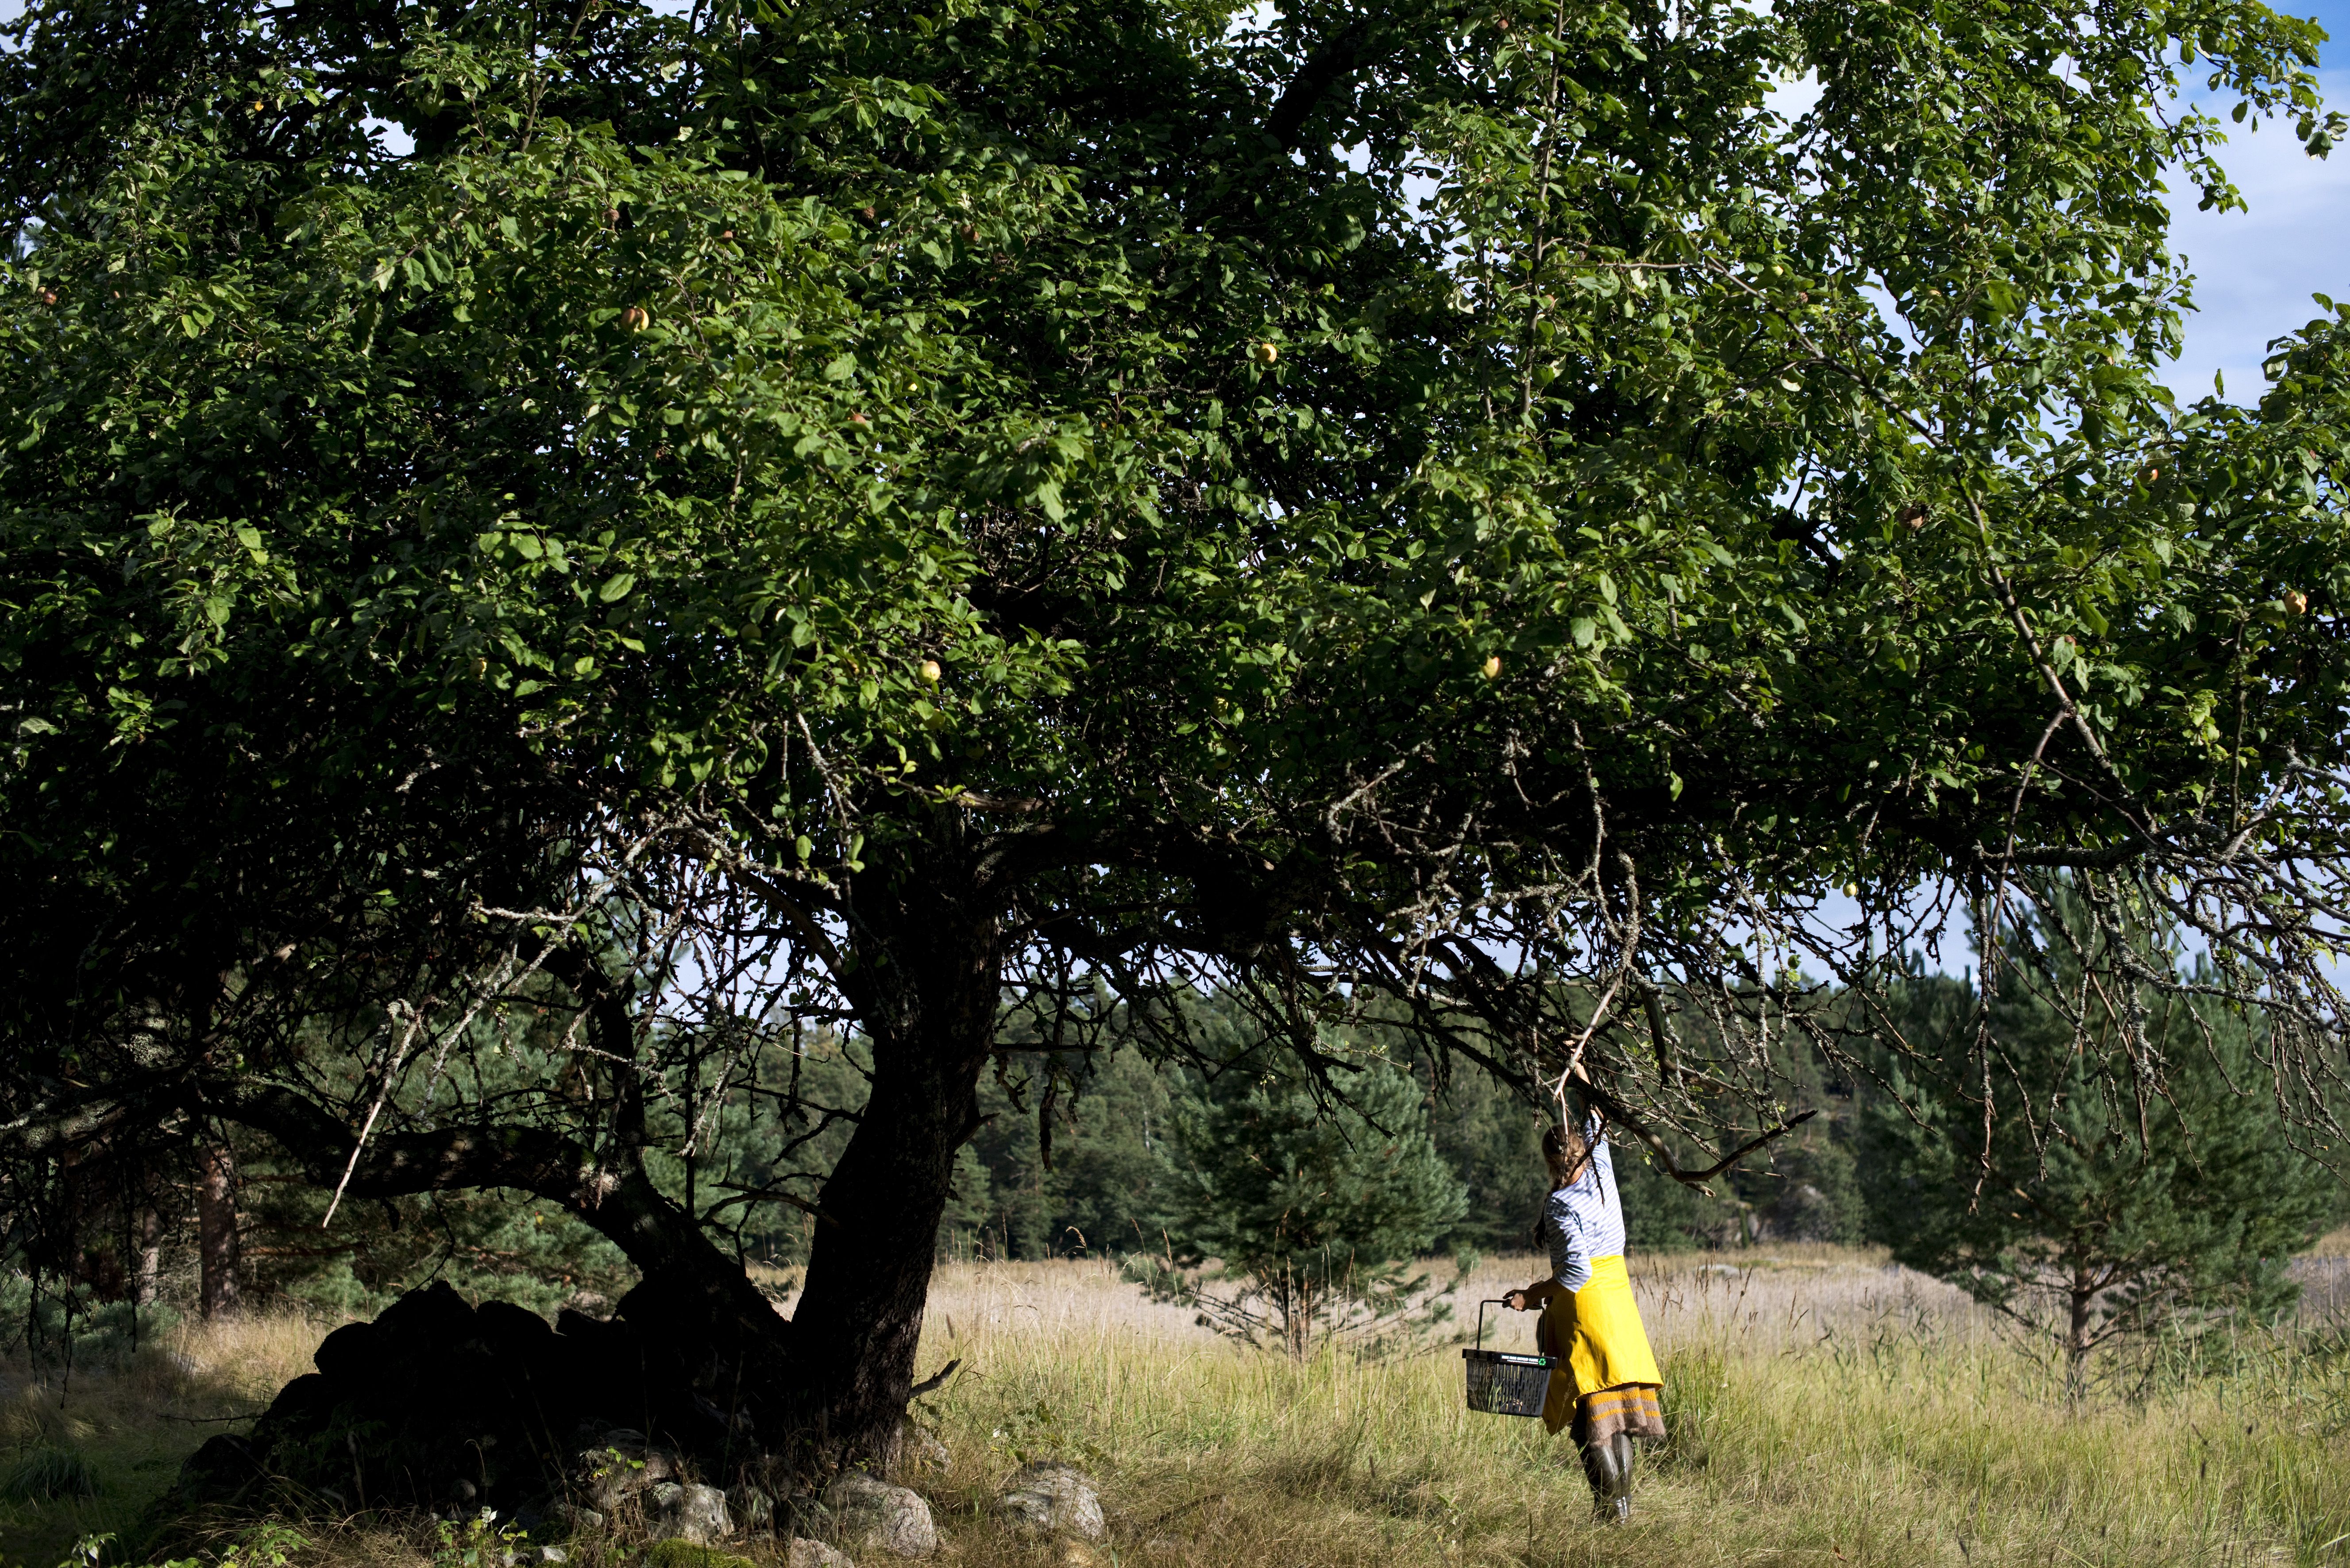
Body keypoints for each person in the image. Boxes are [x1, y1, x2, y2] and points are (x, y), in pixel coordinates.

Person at [1505, 1111, 1666, 1522]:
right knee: (1616, 1416)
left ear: (1549, 1164)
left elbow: (1576, 1272)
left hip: (1585, 1313)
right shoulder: (1601, 1174)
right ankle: (1623, 1511)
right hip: (1619, 1307)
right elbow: (1597, 1123)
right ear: (1582, 1150)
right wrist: (1580, 1071)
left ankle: (1609, 1514)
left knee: (1588, 1424)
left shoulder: (1560, 1205)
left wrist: (1531, 1295)